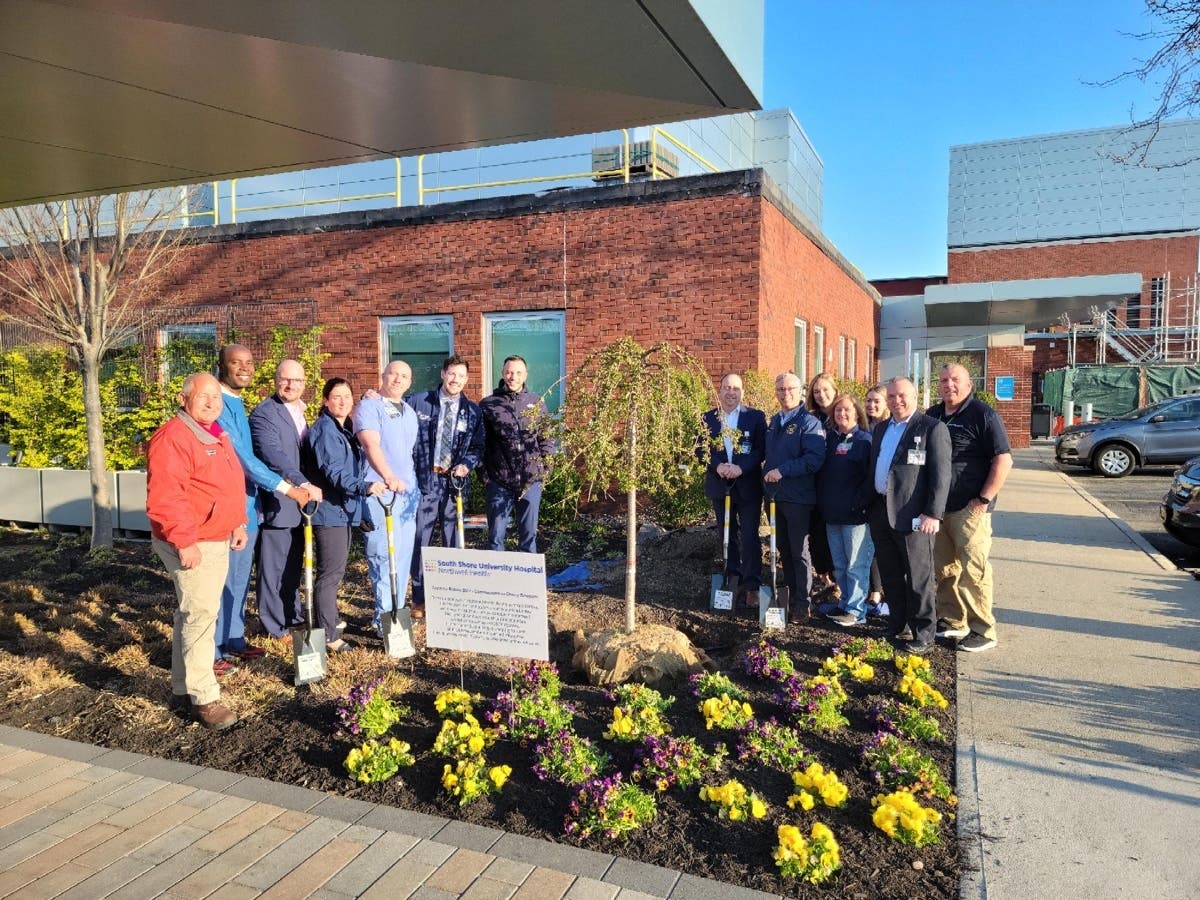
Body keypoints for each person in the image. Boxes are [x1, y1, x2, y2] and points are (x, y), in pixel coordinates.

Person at [147, 373, 247, 729]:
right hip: (193, 540)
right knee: (201, 616)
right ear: (183, 397)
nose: (210, 403)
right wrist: (185, 540)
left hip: (215, 535)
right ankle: (204, 697)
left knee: (192, 614)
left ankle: (181, 689)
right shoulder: (173, 437)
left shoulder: (215, 434)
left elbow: (229, 484)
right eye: (202, 396)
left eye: (215, 398)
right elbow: (166, 497)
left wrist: (237, 521)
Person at [214, 345, 310, 668]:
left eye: (249, 363)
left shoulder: (238, 404)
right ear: (221, 365)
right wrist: (289, 488)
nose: (244, 368)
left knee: (240, 579)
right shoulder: (219, 405)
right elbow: (245, 459)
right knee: (223, 582)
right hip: (229, 508)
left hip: (249, 508)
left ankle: (234, 638)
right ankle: (213, 651)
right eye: (235, 362)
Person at [929, 363, 1014, 653]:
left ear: (968, 384)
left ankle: (984, 630)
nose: (948, 385)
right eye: (943, 380)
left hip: (970, 509)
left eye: (954, 380)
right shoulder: (934, 414)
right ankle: (954, 621)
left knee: (974, 571)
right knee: (945, 570)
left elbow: (1003, 460)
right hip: (940, 509)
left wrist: (984, 499)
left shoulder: (983, 415)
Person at [867, 377, 951, 655]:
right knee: (891, 574)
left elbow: (941, 476)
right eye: (891, 396)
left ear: (915, 397)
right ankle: (898, 624)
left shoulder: (931, 428)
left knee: (918, 577)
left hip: (914, 517)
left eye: (902, 395)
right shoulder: (881, 428)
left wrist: (933, 514)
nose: (896, 401)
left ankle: (924, 633)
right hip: (881, 512)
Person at [301, 378, 385, 651]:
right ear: (325, 400)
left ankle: (330, 619)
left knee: (333, 572)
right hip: (329, 512)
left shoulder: (342, 428)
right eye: (336, 396)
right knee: (330, 574)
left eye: (347, 396)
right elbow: (334, 472)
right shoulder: (326, 430)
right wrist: (364, 488)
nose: (342, 401)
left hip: (342, 510)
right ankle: (328, 635)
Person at [249, 360, 324, 639]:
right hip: (279, 502)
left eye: (297, 381)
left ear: (305, 384)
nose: (291, 385)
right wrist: (303, 483)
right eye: (285, 379)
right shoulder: (264, 414)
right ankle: (273, 625)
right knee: (273, 568)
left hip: (301, 506)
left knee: (293, 565)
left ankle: (291, 617)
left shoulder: (300, 411)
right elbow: (273, 456)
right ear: (276, 380)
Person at [407, 355, 486, 616]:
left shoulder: (472, 412)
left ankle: (454, 596)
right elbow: (393, 416)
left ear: (466, 380)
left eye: (461, 376)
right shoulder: (418, 401)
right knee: (422, 540)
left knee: (454, 541)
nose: (456, 380)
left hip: (454, 486)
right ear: (443, 374)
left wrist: (466, 464)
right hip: (426, 482)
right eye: (452, 374)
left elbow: (477, 446)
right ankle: (420, 598)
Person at [354, 361, 421, 633]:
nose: (398, 379)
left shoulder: (409, 411)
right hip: (382, 494)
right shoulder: (370, 406)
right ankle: (384, 618)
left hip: (407, 495)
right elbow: (370, 444)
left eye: (405, 376)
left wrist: (409, 484)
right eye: (394, 373)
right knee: (384, 556)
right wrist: (388, 476)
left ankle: (397, 610)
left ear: (409, 383)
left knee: (403, 556)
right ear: (383, 375)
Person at [763, 372, 826, 621]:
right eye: (780, 389)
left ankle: (803, 602)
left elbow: (814, 459)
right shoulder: (774, 420)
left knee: (799, 551)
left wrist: (782, 471)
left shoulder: (809, 423)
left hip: (798, 498)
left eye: (790, 388)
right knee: (783, 550)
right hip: (774, 497)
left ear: (800, 392)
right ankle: (788, 594)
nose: (784, 393)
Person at [700, 373, 767, 608]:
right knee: (726, 536)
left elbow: (760, 450)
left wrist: (741, 468)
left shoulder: (755, 417)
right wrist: (718, 465)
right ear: (720, 391)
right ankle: (731, 580)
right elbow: (701, 450)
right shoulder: (707, 419)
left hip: (747, 486)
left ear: (742, 393)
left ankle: (752, 586)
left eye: (735, 388)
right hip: (720, 486)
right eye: (727, 388)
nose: (731, 392)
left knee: (749, 536)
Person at [480, 355, 554, 553]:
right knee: (496, 537)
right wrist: (486, 476)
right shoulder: (488, 404)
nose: (513, 377)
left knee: (529, 536)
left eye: (518, 372)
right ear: (503, 374)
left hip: (531, 480)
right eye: (509, 372)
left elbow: (546, 438)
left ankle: (527, 582)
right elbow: (480, 443)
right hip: (499, 482)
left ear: (525, 375)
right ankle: (498, 580)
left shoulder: (536, 403)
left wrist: (545, 471)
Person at [817, 394, 875, 627]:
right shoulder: (831, 440)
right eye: (838, 410)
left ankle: (856, 610)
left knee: (855, 564)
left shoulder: (865, 441)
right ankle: (845, 603)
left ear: (857, 412)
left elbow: (870, 478)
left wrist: (860, 504)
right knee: (840, 564)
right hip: (832, 514)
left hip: (855, 516)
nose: (842, 414)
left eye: (846, 410)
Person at [805, 372, 839, 598]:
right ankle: (825, 579)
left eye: (825, 390)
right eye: (816, 391)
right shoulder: (811, 418)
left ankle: (840, 580)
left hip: (838, 487)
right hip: (814, 485)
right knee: (816, 535)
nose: (821, 395)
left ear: (835, 390)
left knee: (836, 536)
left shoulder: (844, 414)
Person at [863, 383, 889, 608]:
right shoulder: (863, 427)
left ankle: (879, 592)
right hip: (866, 493)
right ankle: (873, 590)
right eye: (868, 400)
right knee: (869, 544)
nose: (871, 405)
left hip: (886, 496)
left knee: (883, 545)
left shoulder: (889, 428)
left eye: (876, 401)